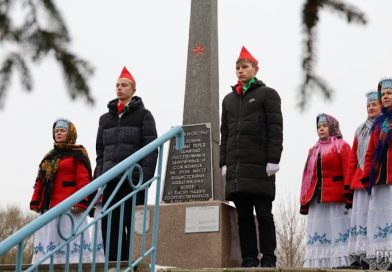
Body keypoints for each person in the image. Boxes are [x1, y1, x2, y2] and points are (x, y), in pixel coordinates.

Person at [219, 46, 283, 268]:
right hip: (237, 169)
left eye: (245, 66)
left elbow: (275, 129)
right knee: (243, 216)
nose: (240, 70)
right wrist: (223, 163)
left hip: (261, 167)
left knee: (264, 214)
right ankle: (248, 258)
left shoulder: (268, 94)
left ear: (256, 69)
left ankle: (268, 258)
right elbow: (224, 133)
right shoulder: (228, 100)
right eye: (237, 67)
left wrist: (274, 159)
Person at [95, 66, 158, 261]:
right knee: (110, 223)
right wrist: (99, 178)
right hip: (109, 179)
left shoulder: (144, 115)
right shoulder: (105, 119)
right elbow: (100, 151)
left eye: (124, 85)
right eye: (117, 85)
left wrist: (145, 179)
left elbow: (151, 148)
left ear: (133, 89)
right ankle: (114, 263)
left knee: (133, 224)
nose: (119, 88)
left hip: (133, 180)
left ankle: (133, 261)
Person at [30, 118, 93, 264]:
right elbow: (40, 180)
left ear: (70, 133)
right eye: (56, 131)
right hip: (48, 207)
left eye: (62, 131)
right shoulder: (49, 157)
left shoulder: (78, 153)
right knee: (49, 244)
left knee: (70, 246)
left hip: (70, 208)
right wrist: (35, 201)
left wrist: (81, 203)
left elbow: (83, 181)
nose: (58, 133)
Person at [300, 113, 352, 268]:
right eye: (318, 127)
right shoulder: (313, 150)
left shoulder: (342, 146)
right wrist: (304, 199)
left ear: (332, 127)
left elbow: (348, 171)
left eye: (324, 126)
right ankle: (320, 262)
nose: (321, 129)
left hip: (337, 197)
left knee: (338, 228)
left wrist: (349, 194)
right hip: (317, 198)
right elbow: (307, 176)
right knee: (320, 230)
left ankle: (341, 262)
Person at [345, 91, 381, 269]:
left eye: (375, 104)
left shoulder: (384, 125)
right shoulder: (360, 129)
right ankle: (362, 254)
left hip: (378, 177)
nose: (371, 107)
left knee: (375, 216)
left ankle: (377, 252)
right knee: (361, 218)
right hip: (360, 179)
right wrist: (348, 185)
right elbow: (353, 157)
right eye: (369, 105)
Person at [361, 78, 392, 269]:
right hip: (380, 178)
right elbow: (371, 152)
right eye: (384, 94)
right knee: (381, 218)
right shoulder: (379, 123)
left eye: (389, 93)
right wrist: (366, 175)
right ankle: (385, 259)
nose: (386, 97)